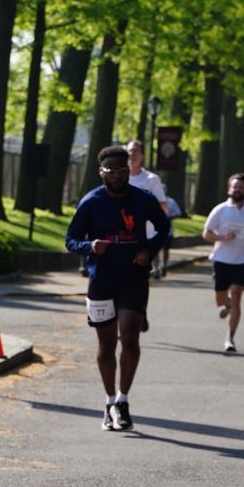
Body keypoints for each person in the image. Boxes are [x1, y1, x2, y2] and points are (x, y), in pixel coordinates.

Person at [65, 145, 170, 431]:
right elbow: (70, 240)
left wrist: (148, 250)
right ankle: (109, 400)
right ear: (101, 171)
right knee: (106, 345)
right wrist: (90, 246)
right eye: (110, 170)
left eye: (122, 170)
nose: (116, 175)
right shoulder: (91, 202)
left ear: (128, 171)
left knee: (131, 339)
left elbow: (164, 228)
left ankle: (123, 401)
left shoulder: (143, 199)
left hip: (134, 277)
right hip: (101, 280)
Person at [202, 173, 244, 353]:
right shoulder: (220, 210)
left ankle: (230, 338)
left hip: (242, 262)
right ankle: (226, 304)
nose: (237, 190)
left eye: (241, 187)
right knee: (220, 299)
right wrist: (223, 237)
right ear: (229, 189)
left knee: (236, 294)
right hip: (221, 260)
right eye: (235, 187)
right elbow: (206, 233)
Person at [126, 139, 170, 277]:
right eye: (130, 151)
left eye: (135, 151)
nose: (132, 154)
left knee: (139, 277)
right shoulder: (119, 177)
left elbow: (164, 207)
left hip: (144, 236)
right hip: (122, 235)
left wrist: (143, 209)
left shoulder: (151, 179)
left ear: (142, 155)